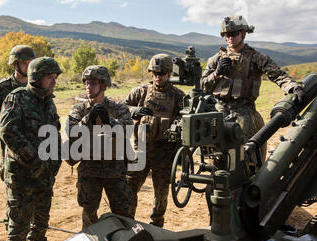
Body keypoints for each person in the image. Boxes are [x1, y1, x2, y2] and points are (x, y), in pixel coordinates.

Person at [201, 15, 305, 161]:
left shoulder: (256, 58)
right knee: (216, 156)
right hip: (219, 110)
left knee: (246, 156)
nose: (230, 38)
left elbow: (277, 75)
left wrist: (293, 87)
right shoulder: (216, 59)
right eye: (227, 35)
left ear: (243, 34)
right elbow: (203, 84)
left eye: (234, 34)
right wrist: (216, 74)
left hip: (245, 112)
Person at [0, 57, 62, 241]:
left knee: (42, 217)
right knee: (20, 220)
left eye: (55, 77)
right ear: (36, 78)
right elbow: (8, 132)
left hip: (44, 174)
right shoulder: (17, 98)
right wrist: (35, 161)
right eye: (49, 77)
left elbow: (54, 131)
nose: (53, 81)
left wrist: (55, 161)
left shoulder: (49, 101)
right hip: (22, 175)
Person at [66, 65, 133, 229]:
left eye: (93, 83)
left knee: (124, 216)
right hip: (89, 171)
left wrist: (110, 120)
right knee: (89, 217)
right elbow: (71, 131)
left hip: (115, 171)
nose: (88, 87)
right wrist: (88, 119)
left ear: (104, 85)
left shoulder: (119, 108)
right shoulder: (79, 109)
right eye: (87, 83)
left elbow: (128, 131)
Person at [0, 45, 35, 241]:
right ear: (15, 64)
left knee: (32, 191)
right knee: (13, 194)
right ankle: (12, 236)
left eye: (31, 62)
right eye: (25, 63)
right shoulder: (3, 87)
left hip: (32, 149)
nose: (29, 66)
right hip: (9, 149)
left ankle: (29, 232)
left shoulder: (36, 84)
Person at [125, 54, 185, 227]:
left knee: (161, 192)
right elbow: (122, 107)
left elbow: (186, 122)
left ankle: (157, 224)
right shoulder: (141, 91)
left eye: (163, 73)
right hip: (141, 149)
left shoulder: (178, 96)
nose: (158, 77)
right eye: (155, 73)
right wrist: (134, 111)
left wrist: (179, 151)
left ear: (169, 73)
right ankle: (128, 222)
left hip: (164, 152)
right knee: (130, 187)